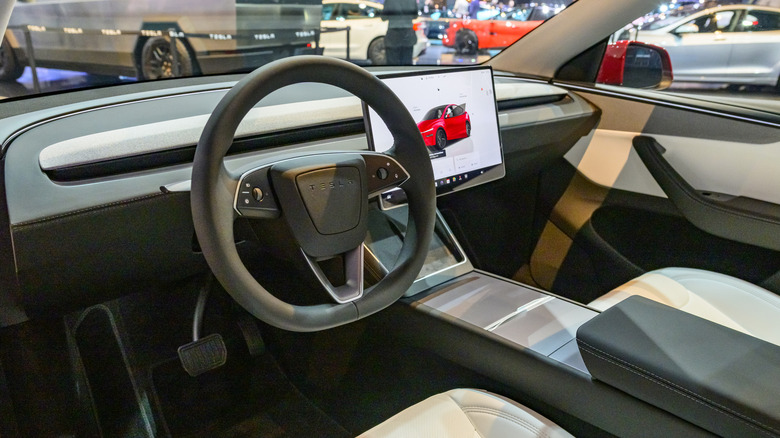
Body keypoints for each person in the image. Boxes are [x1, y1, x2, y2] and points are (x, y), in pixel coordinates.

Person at [382, 0, 419, 65]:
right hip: (408, 34)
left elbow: (383, 17)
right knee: (406, 64)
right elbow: (415, 16)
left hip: (393, 34)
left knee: (392, 65)